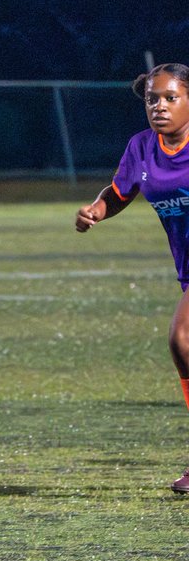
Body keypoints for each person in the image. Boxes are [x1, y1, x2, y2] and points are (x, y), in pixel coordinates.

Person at [76, 62, 189, 492]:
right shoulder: (142, 147)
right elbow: (121, 191)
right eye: (152, 99)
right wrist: (97, 210)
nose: (159, 106)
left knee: (183, 338)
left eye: (171, 98)